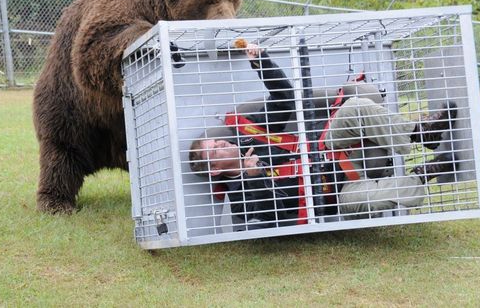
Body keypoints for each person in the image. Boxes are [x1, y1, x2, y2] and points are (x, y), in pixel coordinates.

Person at [188, 43, 457, 227]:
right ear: (215, 170)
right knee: (372, 200)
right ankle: (423, 173)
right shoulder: (239, 199)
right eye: (215, 150)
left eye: (217, 141)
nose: (222, 142)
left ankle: (420, 134)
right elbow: (278, 212)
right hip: (336, 192)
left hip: (326, 146)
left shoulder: (251, 135)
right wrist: (254, 176)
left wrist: (260, 61)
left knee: (355, 107)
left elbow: (285, 99)